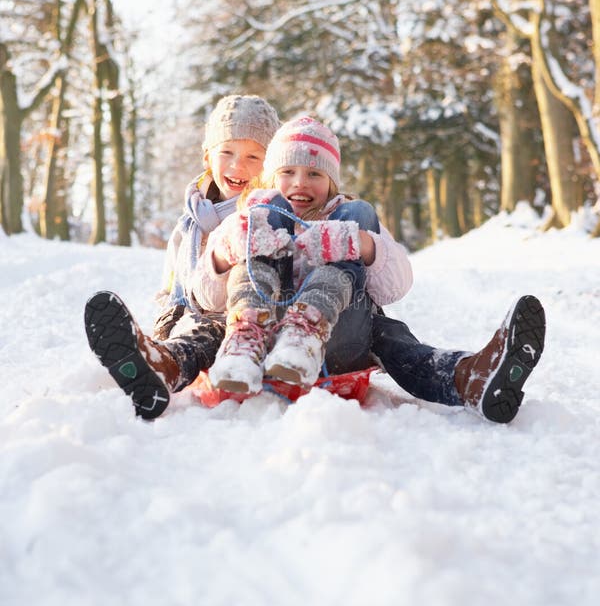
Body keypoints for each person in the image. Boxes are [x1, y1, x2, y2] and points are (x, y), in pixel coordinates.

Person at [205, 115, 546, 424]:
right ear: (269, 176)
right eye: (287, 173)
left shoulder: (347, 217)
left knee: (386, 326)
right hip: (258, 338)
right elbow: (203, 295)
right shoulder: (247, 215)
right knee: (262, 214)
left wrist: (363, 245)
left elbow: (396, 287)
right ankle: (253, 336)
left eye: (314, 173)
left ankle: (474, 377)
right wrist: (226, 250)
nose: (300, 183)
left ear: (331, 180)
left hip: (335, 337)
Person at [84, 94, 281, 419]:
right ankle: (152, 358)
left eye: (253, 156)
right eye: (227, 152)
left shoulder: (271, 213)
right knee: (191, 332)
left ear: (270, 163)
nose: (237, 166)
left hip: (250, 323)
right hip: (195, 313)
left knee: (209, 335)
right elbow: (173, 288)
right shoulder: (190, 224)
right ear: (207, 157)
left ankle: (165, 367)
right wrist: (166, 324)